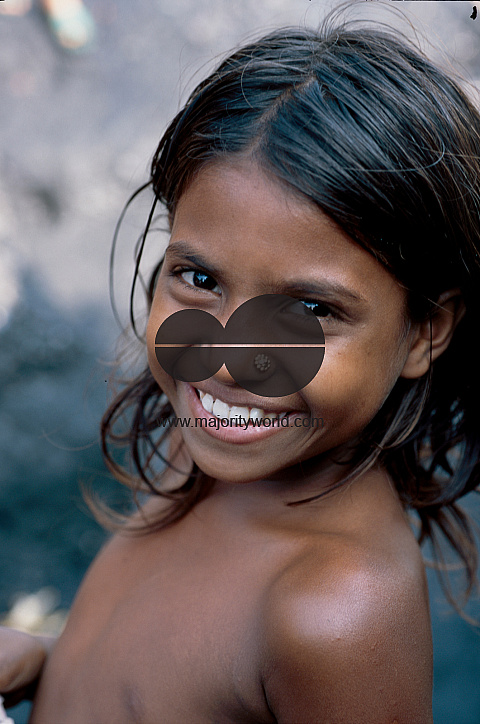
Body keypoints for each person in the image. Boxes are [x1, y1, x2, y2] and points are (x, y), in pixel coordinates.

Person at [1, 8, 480, 722]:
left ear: (424, 332)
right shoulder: (195, 442)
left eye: (312, 312)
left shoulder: (330, 617)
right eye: (199, 279)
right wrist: (47, 664)